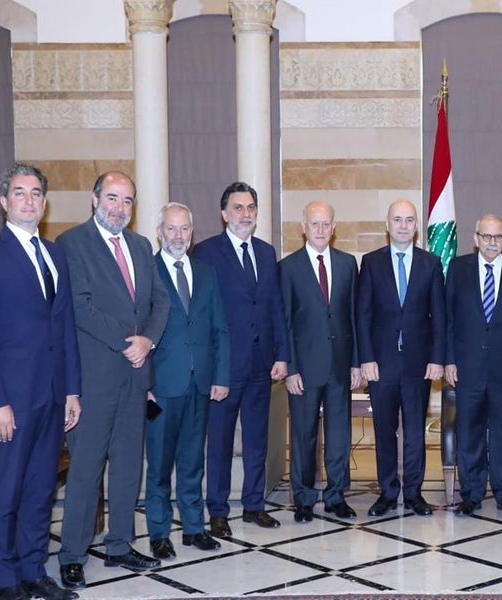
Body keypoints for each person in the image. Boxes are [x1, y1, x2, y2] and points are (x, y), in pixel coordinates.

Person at [57, 171, 171, 588]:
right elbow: (81, 308)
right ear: (94, 199)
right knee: (86, 470)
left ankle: (120, 545)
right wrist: (128, 342)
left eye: (127, 200)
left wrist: (148, 341)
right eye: (112, 198)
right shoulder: (72, 243)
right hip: (95, 379)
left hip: (136, 377)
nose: (119, 207)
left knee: (127, 466)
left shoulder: (140, 246)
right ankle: (72, 554)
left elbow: (161, 301)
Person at [0, 165, 82, 600]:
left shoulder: (56, 255)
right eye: (19, 193)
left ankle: (33, 569)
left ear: (45, 202)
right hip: (11, 400)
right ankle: (6, 580)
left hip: (53, 395)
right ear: (4, 201)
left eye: (36, 193)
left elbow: (65, 327)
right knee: (7, 491)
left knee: (41, 489)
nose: (29, 200)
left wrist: (72, 390)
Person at [192, 182, 290, 536]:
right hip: (224, 369)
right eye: (238, 208)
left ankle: (254, 505)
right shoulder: (206, 253)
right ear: (224, 214)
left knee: (257, 440)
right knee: (218, 442)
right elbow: (201, 315)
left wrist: (282, 354)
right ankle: (217, 511)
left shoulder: (266, 252)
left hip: (261, 365)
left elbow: (275, 307)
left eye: (250, 208)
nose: (245, 214)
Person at [145, 203, 229, 561]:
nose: (178, 236)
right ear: (159, 232)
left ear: (192, 233)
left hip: (200, 384)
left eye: (184, 229)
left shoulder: (206, 273)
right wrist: (144, 384)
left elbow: (219, 328)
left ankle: (194, 528)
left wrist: (220, 376)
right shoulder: (147, 271)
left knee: (193, 461)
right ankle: (159, 533)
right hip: (161, 388)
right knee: (160, 465)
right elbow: (138, 331)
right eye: (171, 229)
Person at [356, 199, 445, 517]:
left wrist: (437, 358)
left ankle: (414, 493)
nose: (403, 225)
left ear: (417, 226)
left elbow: (440, 316)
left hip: (419, 363)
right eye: (397, 219)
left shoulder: (431, 263)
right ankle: (387, 492)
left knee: (415, 431)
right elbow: (362, 314)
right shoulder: (371, 263)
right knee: (384, 430)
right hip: (381, 364)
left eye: (409, 220)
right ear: (387, 225)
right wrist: (366, 358)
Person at [444, 215, 502, 517]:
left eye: (498, 237)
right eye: (486, 236)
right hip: (467, 367)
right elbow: (448, 319)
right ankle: (471, 495)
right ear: (476, 238)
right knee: (468, 433)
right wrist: (449, 360)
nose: (492, 242)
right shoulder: (457, 269)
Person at [280, 201, 361, 521]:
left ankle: (336, 495)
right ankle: (303, 498)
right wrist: (290, 369)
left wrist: (356, 362)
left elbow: (353, 316)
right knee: (303, 435)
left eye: (326, 224)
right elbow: (285, 323)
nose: (321, 229)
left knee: (340, 435)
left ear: (334, 228)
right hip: (304, 368)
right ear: (303, 228)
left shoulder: (347, 264)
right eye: (315, 224)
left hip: (340, 366)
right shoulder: (288, 267)